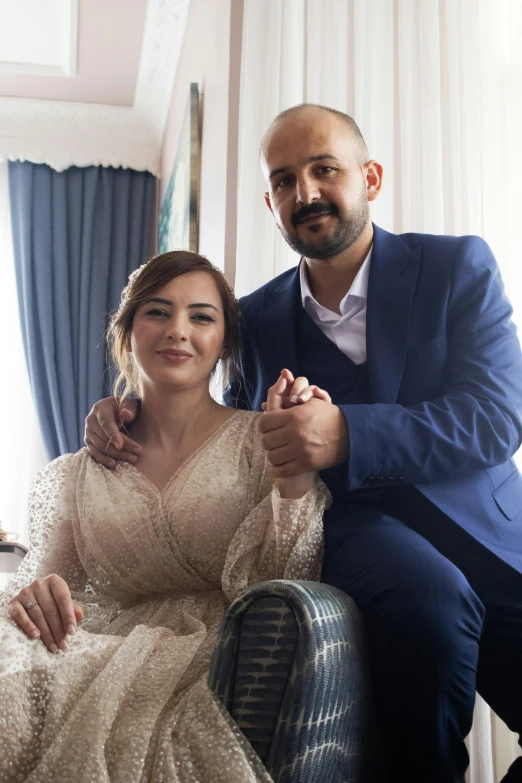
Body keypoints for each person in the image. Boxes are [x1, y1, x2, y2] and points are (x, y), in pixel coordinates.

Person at [85, 105, 522, 783]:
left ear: (370, 177)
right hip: (357, 533)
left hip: (488, 532)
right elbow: (218, 420)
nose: (306, 192)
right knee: (430, 604)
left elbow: (497, 417)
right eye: (285, 180)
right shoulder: (254, 319)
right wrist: (131, 409)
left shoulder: (456, 265)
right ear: (270, 201)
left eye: (324, 169)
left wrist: (346, 431)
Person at [0, 250, 330, 783]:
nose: (178, 330)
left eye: (201, 316)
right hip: (96, 647)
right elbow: (47, 582)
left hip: (219, 656)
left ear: (224, 341)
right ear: (127, 332)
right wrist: (36, 595)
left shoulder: (262, 439)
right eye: (157, 311)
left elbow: (285, 580)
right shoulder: (74, 473)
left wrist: (293, 472)